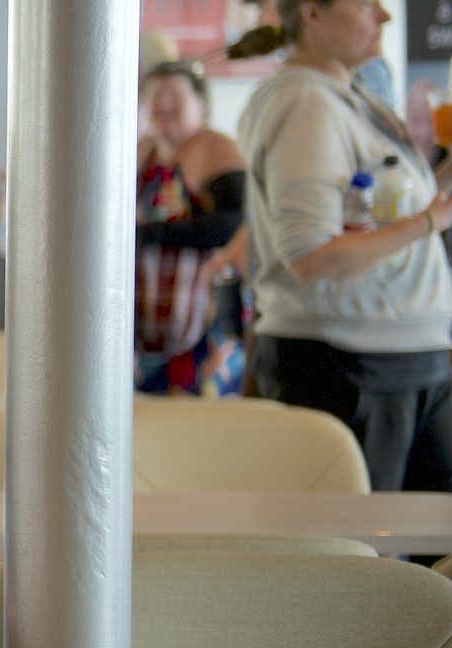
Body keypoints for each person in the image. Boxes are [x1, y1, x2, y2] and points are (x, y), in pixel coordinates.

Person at [234, 0, 452, 491]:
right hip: (351, 362)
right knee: (354, 556)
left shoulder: (346, 97)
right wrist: (429, 221)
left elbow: (383, 212)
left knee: (431, 551)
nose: (385, 16)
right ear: (312, 13)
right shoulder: (306, 103)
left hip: (402, 355)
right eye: (365, 3)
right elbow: (311, 257)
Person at [135, 60, 249, 396]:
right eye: (154, 94)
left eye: (174, 93)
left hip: (205, 329)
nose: (162, 102)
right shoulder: (142, 151)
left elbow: (237, 225)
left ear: (201, 104)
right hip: (144, 340)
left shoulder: (217, 148)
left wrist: (152, 233)